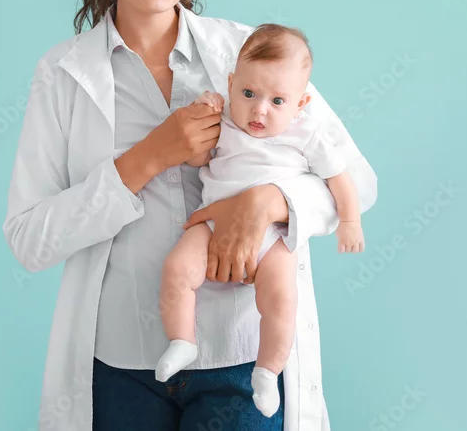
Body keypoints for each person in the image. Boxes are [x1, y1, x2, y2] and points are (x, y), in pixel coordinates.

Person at [3, 0, 378, 431]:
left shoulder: (250, 54)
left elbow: (356, 182)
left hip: (239, 354)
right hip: (121, 363)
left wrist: (269, 201)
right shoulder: (61, 73)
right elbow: (30, 240)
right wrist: (148, 158)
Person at [155, 24, 366, 418]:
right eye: (249, 93)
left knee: (282, 300)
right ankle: (182, 341)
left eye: (277, 101)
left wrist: (350, 221)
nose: (259, 110)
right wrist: (202, 117)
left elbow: (341, 179)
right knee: (177, 269)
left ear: (301, 103)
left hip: (275, 237)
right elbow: (197, 159)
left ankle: (267, 372)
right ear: (231, 83)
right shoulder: (225, 119)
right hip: (211, 224)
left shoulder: (307, 134)